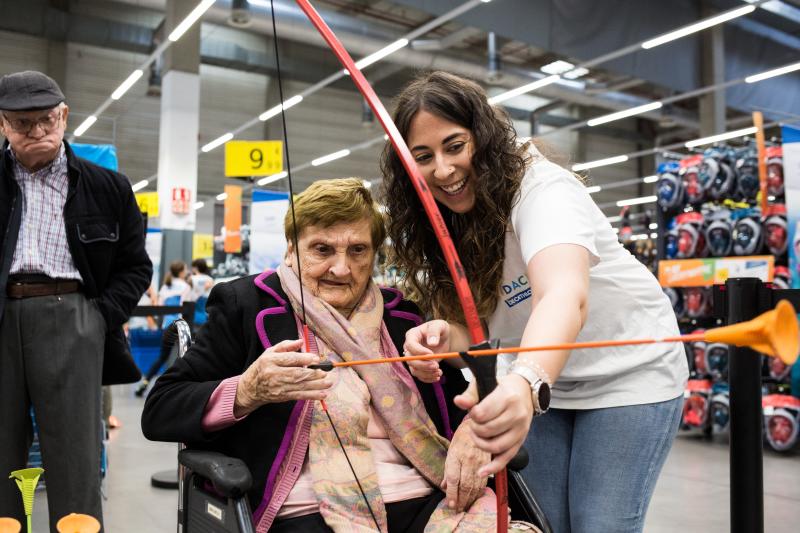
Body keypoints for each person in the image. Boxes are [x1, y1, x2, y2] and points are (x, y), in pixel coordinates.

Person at [381, 71, 688, 533]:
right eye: (423, 156)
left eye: (454, 145)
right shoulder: (447, 217)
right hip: (547, 383)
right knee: (546, 525)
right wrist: (445, 336)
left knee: (599, 525)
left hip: (628, 373)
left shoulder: (543, 188)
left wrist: (525, 382)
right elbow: (481, 324)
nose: (442, 169)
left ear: (482, 136)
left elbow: (562, 294)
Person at [142, 178, 511, 532]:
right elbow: (161, 408)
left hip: (426, 495)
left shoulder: (402, 317)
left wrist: (471, 431)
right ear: (291, 248)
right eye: (322, 249)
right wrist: (246, 391)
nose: (341, 268)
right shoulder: (247, 305)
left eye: (358, 250)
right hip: (305, 509)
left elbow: (461, 404)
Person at [0, 71, 152, 530]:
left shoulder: (108, 187)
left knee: (76, 452)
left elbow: (135, 267)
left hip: (74, 316)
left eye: (47, 120)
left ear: (64, 116)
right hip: (2, 317)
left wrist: (97, 316)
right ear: (3, 124)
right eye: (23, 124)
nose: (38, 132)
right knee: (0, 449)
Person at [134, 261, 190, 396]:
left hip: (167, 327)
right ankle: (180, 389)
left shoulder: (166, 287)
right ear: (181, 271)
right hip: (181, 327)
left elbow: (159, 306)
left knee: (163, 358)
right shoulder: (185, 286)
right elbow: (186, 307)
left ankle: (145, 382)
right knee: (185, 358)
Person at [186, 258, 213, 326]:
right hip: (206, 311)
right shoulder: (210, 279)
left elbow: (187, 294)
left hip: (194, 308)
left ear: (195, 268)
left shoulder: (191, 278)